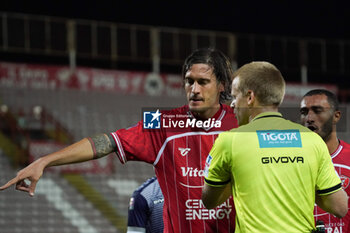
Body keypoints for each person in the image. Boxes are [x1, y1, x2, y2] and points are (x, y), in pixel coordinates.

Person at [0, 48, 238, 232]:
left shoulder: (240, 124)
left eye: (203, 82)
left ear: (221, 86)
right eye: (189, 81)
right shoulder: (161, 121)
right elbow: (109, 141)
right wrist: (45, 161)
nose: (194, 89)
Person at [202, 61, 348, 232]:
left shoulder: (229, 140)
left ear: (250, 97)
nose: (232, 104)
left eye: (235, 97)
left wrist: (237, 176)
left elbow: (209, 201)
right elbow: (339, 207)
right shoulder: (312, 140)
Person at [300, 89, 350, 233]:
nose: (309, 118)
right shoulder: (291, 161)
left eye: (317, 110)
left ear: (336, 116)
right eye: (304, 112)